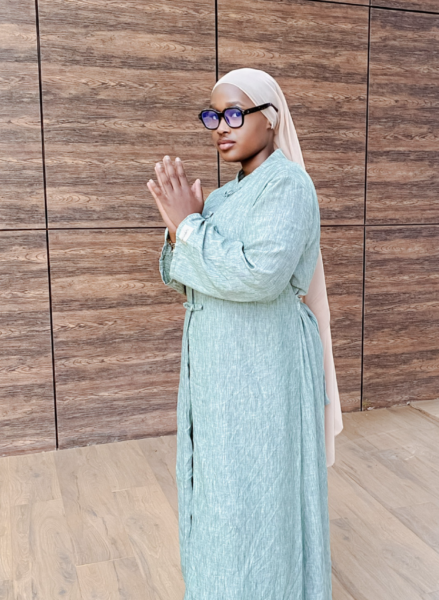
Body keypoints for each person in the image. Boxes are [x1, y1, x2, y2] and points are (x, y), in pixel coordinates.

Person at [146, 67, 342, 600]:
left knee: (259, 492)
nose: (221, 128)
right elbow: (180, 276)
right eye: (213, 117)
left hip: (263, 371)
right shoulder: (222, 198)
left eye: (234, 114)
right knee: (219, 493)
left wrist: (189, 227)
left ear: (270, 119)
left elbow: (260, 275)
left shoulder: (289, 186)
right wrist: (179, 229)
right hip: (217, 374)